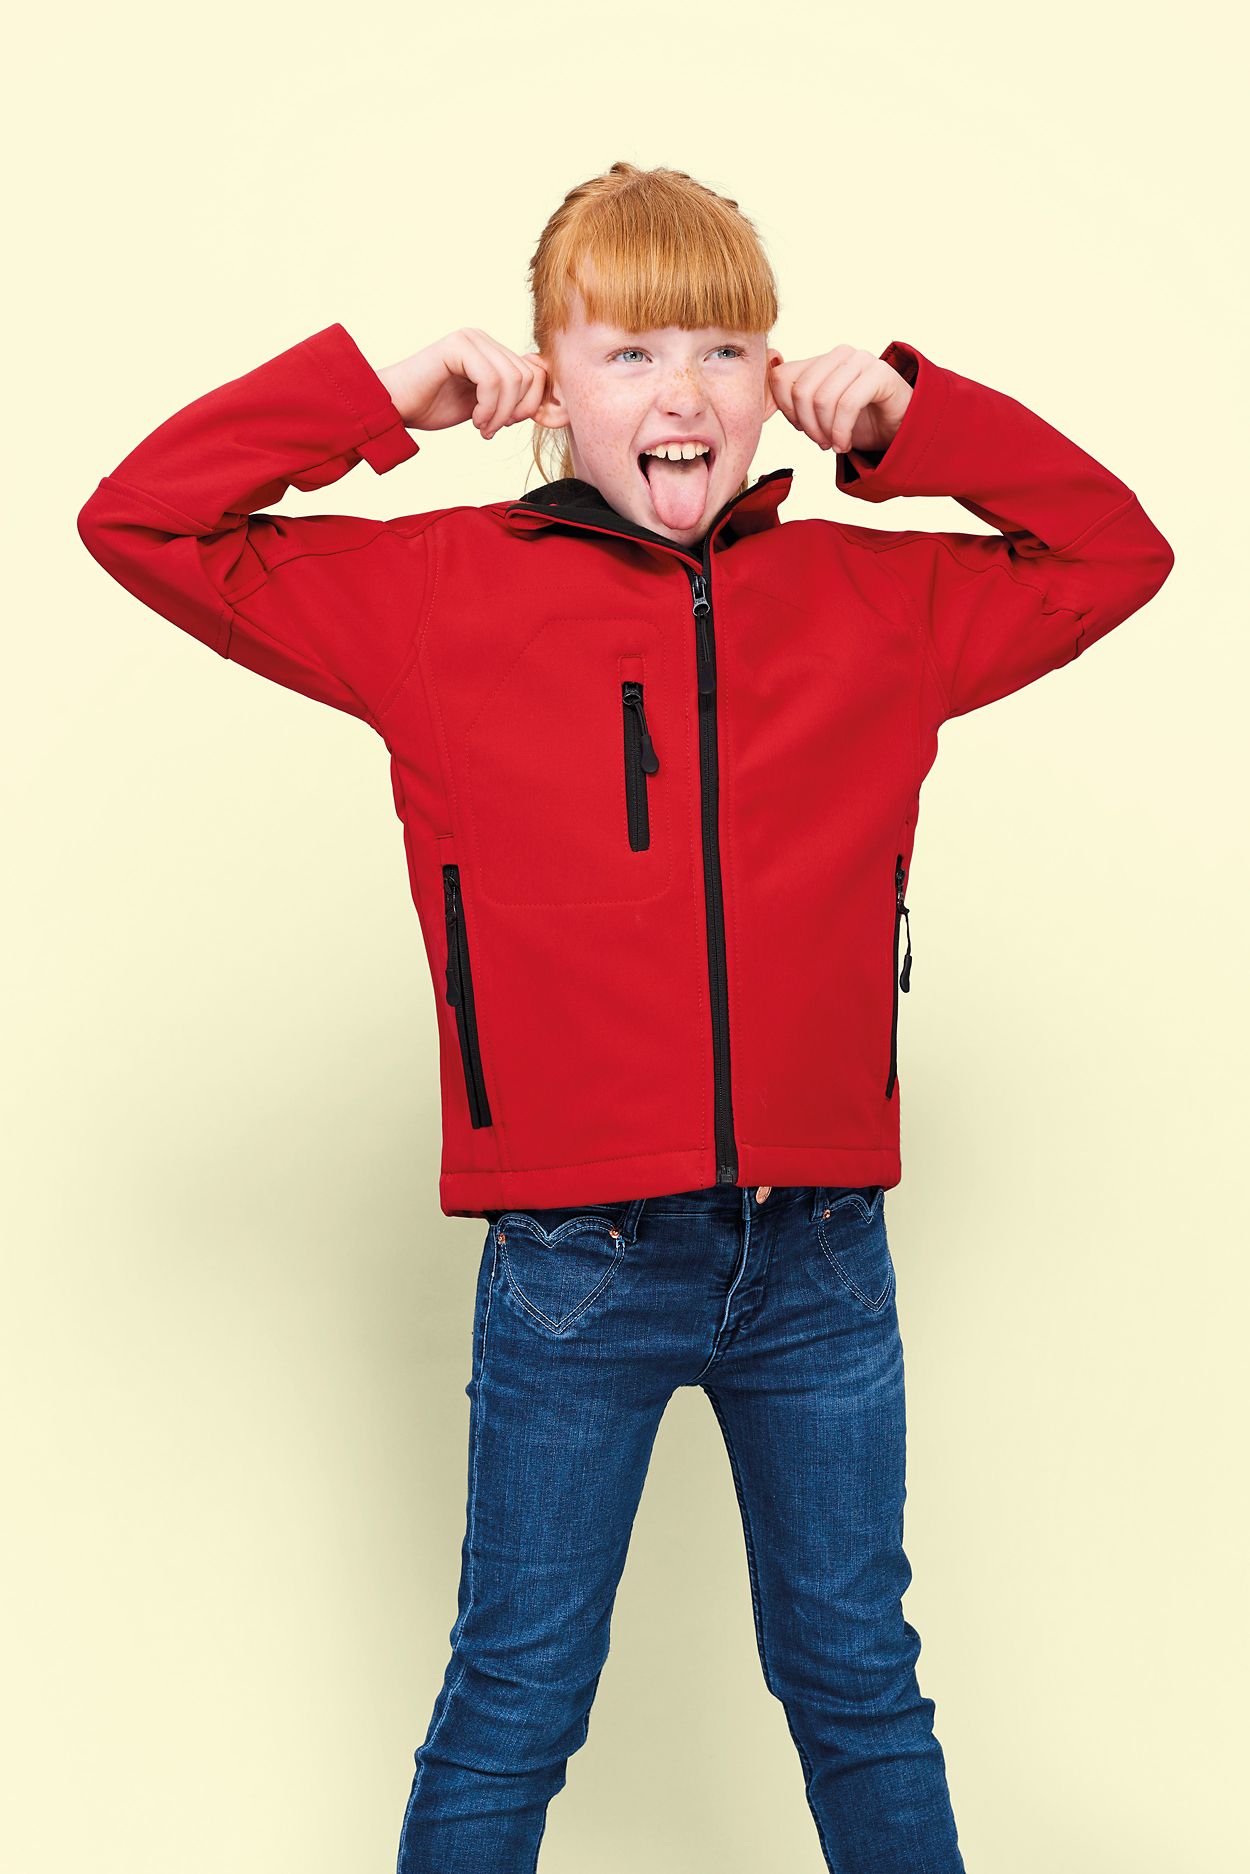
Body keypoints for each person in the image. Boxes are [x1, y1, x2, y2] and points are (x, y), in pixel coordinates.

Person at [76, 161, 1174, 1873]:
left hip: (818, 1251)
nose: (683, 392)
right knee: (513, 1697)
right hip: (570, 1258)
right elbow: (142, 522)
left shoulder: (876, 603)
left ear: (771, 379)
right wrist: (376, 398)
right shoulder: (432, 596)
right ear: (547, 386)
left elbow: (1115, 552)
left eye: (724, 349)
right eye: (630, 350)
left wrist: (918, 423)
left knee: (861, 1688)